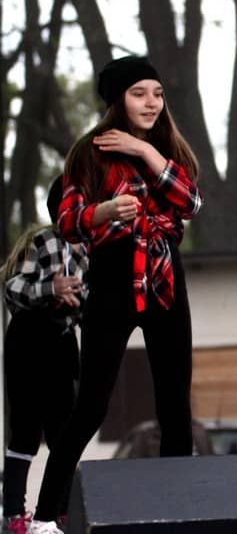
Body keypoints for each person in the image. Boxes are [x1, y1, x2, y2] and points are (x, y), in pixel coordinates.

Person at [28, 55, 202, 534]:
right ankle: (45, 518)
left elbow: (191, 202)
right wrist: (103, 211)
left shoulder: (168, 150)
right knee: (91, 406)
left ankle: (177, 514)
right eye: (138, 93)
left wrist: (144, 151)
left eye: (157, 93)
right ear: (117, 100)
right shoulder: (90, 153)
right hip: (112, 276)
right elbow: (67, 222)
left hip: (164, 278)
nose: (151, 103)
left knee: (175, 406)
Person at [1, 177, 88, 534]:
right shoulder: (45, 241)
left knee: (62, 434)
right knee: (25, 430)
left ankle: (55, 511)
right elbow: (13, 287)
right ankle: (13, 513)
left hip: (62, 341)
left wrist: (78, 300)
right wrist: (51, 287)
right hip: (28, 339)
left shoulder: (90, 252)